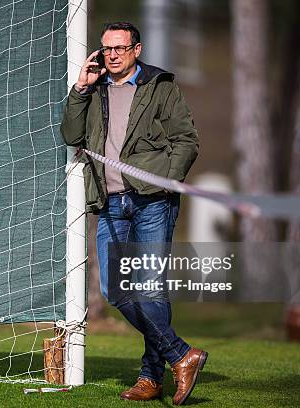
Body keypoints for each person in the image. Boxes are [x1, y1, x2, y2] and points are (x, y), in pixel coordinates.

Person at [61, 22, 206, 405]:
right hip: (110, 204)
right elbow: (71, 136)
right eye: (106, 48)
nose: (111, 55)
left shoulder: (160, 86)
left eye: (119, 48)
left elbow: (186, 140)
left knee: (149, 289)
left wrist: (165, 182)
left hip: (151, 203)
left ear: (136, 50)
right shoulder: (93, 90)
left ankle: (150, 376)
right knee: (116, 290)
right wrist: (80, 89)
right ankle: (181, 355)